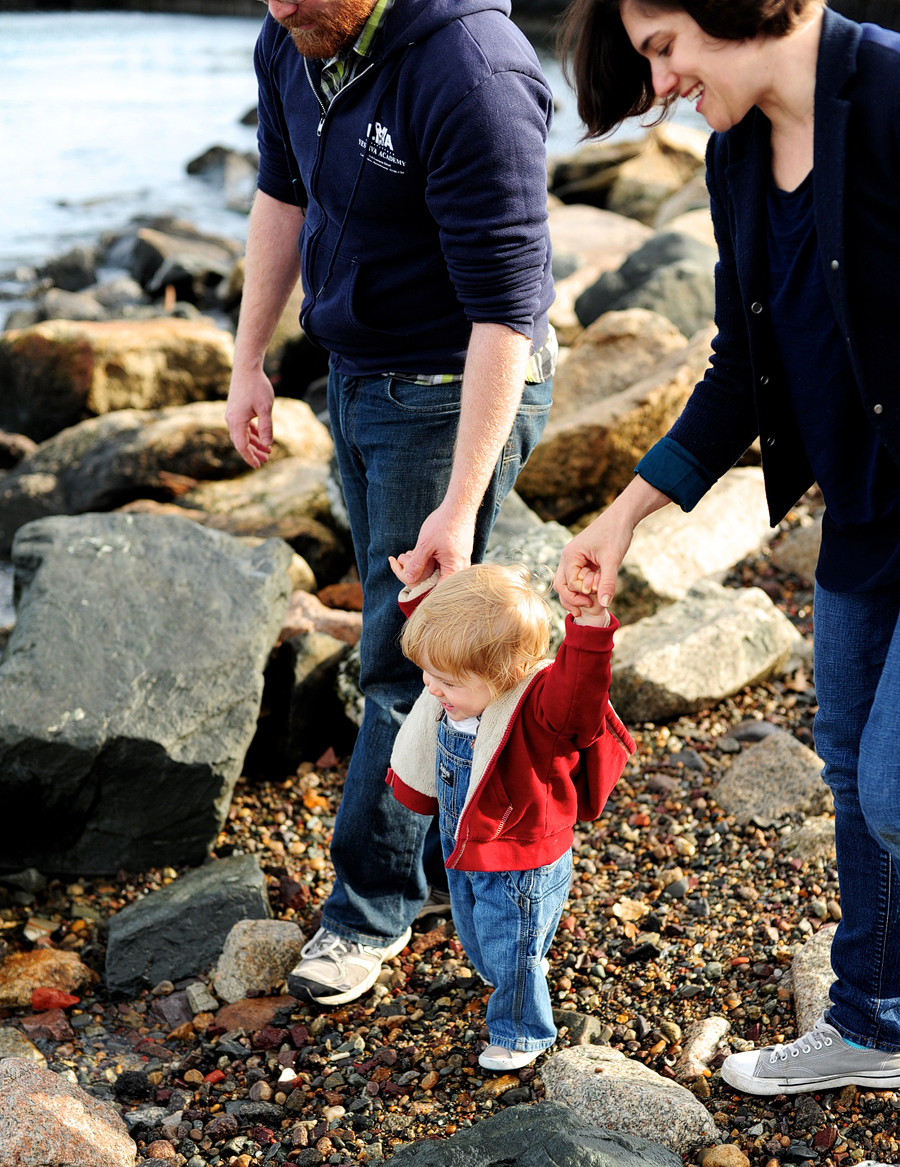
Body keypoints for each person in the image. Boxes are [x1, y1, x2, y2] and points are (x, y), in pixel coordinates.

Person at [554, 0, 900, 1094]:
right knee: (848, 769)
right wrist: (620, 518)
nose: (660, 83)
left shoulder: (891, 94)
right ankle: (875, 1024)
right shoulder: (738, 154)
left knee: (894, 789)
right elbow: (741, 372)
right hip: (861, 516)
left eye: (664, 49)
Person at [227, 0, 556, 1006]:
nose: (283, 7)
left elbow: (508, 310)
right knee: (405, 644)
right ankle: (453, 856)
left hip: (454, 392)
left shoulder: (474, 72)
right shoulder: (291, 36)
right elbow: (283, 198)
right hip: (358, 378)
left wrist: (459, 504)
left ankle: (369, 911)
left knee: (403, 657)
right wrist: (249, 360)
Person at [384, 560, 634, 1068]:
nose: (432, 690)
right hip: (467, 842)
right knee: (477, 934)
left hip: (520, 860)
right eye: (429, 676)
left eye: (447, 682)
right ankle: (512, 973)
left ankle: (523, 1032)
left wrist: (587, 626)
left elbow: (582, 690)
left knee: (512, 947)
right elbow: (445, 636)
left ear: (506, 675)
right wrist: (421, 589)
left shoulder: (543, 710)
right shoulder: (461, 684)